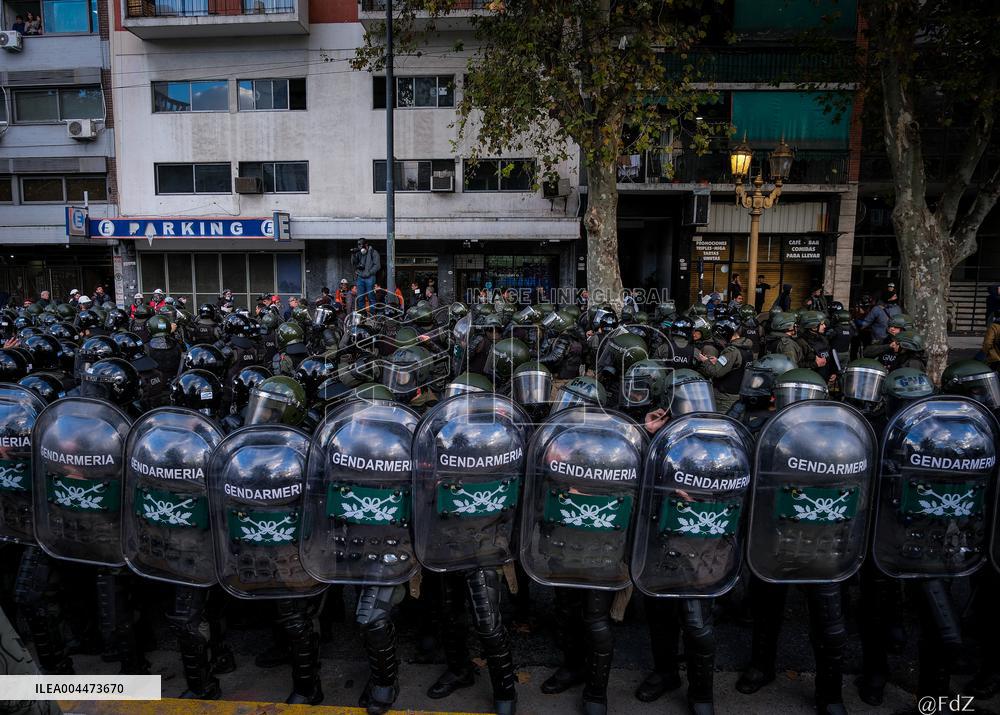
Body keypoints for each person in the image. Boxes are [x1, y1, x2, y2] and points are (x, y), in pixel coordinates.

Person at [351, 238, 380, 310]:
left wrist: (369, 273)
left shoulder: (374, 252)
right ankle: (362, 315)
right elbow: (353, 263)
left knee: (371, 296)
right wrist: (353, 254)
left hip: (370, 277)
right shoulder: (358, 253)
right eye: (358, 245)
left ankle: (372, 315)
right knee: (360, 297)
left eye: (361, 244)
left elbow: (377, 266)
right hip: (360, 277)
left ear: (366, 245)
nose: (360, 246)